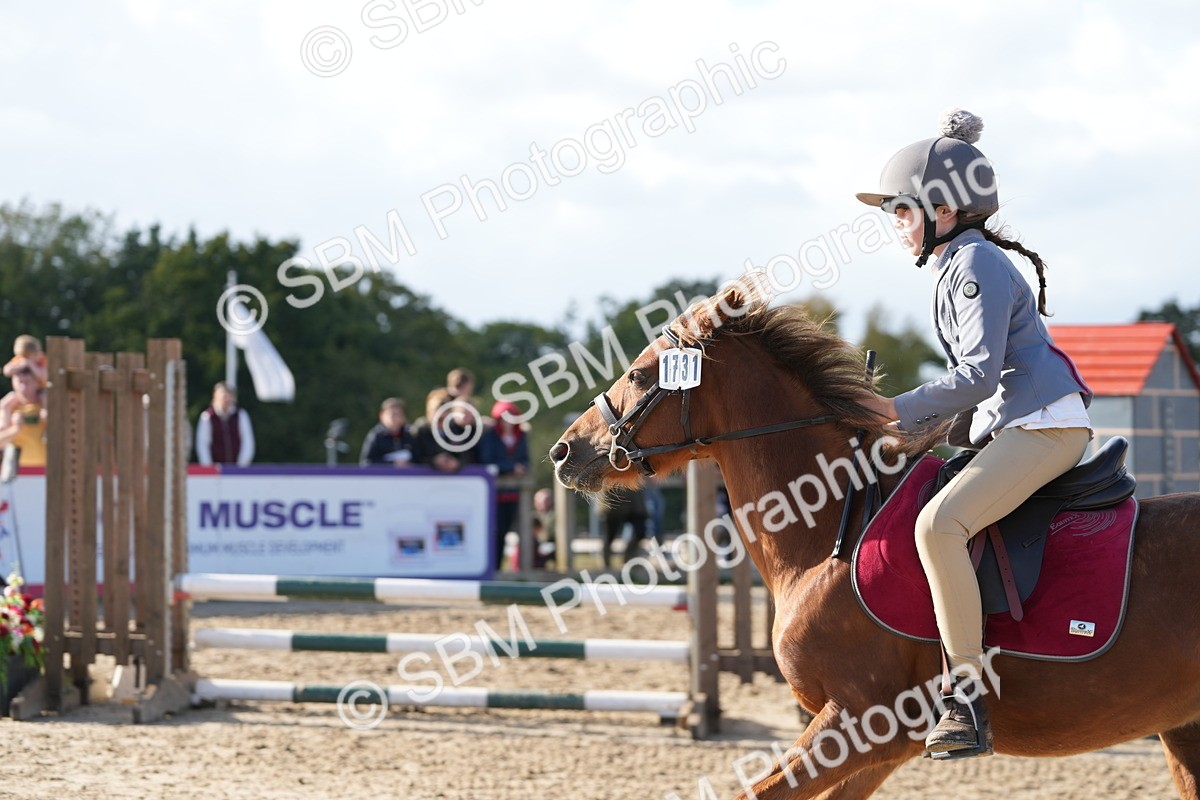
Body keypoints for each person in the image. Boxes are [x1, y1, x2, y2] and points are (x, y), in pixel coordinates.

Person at [855, 108, 1093, 758]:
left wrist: (894, 409)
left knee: (939, 527)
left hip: (1043, 424)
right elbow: (978, 390)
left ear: (944, 210)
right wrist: (914, 431)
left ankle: (964, 699)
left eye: (902, 211)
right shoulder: (960, 260)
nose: (896, 224)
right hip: (1023, 422)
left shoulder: (974, 262)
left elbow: (979, 376)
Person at [479, 400, 530, 571]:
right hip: (495, 494)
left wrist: (520, 468)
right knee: (496, 532)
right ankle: (494, 568)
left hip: (515, 493)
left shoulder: (521, 436)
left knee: (517, 531)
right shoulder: (490, 436)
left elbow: (526, 460)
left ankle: (517, 568)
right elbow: (487, 461)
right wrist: (510, 468)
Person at [411, 388, 480, 472]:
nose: (440, 415)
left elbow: (467, 456)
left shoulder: (456, 431)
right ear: (428, 411)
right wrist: (433, 461)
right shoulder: (420, 431)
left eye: (444, 409)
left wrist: (456, 463)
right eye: (436, 409)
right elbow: (414, 457)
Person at [194, 382, 255, 466]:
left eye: (228, 395)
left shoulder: (241, 415)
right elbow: (203, 444)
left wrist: (241, 465)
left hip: (237, 468)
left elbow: (247, 442)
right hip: (215, 468)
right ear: (215, 397)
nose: (225, 399)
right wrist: (208, 467)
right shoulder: (207, 416)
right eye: (222, 395)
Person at [0, 363, 48, 467]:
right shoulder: (8, 407)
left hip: (45, 469)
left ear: (37, 383)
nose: (23, 388)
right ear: (13, 383)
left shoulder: (46, 405)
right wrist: (15, 430)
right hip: (17, 470)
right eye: (20, 382)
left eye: (27, 382)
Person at [600, 487, 648, 569]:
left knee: (640, 532)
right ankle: (606, 565)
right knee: (609, 537)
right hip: (614, 504)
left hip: (634, 504)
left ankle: (628, 560)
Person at [360, 397, 416, 466]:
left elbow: (419, 459)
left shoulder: (411, 434)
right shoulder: (376, 436)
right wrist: (392, 464)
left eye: (399, 414)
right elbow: (366, 462)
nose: (396, 418)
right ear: (382, 415)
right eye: (392, 414)